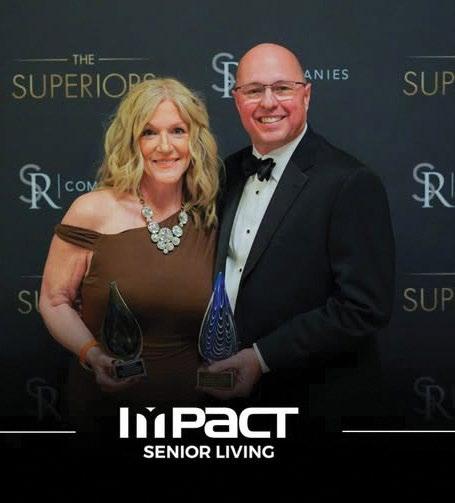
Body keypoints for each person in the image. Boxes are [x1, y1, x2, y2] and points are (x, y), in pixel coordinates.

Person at [203, 43, 395, 426]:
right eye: (254, 90)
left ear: (306, 95)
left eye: (282, 88)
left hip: (320, 405)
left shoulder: (350, 181)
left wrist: (260, 358)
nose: (268, 102)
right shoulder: (225, 174)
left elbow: (364, 307)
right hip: (233, 409)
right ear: (236, 99)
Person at [39, 78, 220, 428]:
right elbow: (54, 300)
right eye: (149, 132)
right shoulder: (92, 210)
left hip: (193, 415)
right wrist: (93, 355)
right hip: (105, 409)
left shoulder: (212, 215)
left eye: (178, 131)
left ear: (195, 139)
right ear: (131, 141)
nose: (165, 146)